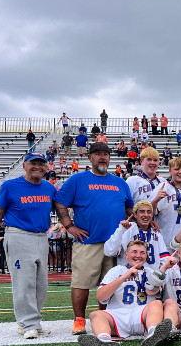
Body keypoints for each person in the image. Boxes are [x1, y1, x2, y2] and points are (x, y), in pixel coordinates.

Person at [54, 142, 134, 335]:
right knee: (81, 283)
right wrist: (69, 226)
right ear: (89, 158)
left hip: (115, 244)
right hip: (88, 241)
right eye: (98, 154)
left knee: (111, 285)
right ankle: (79, 320)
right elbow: (59, 201)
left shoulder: (120, 183)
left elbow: (130, 210)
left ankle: (103, 318)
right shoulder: (78, 180)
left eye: (106, 154)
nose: (102, 157)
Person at [0, 152, 56, 339]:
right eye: (33, 163)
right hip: (18, 235)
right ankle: (28, 324)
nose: (38, 167)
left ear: (47, 168)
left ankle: (32, 322)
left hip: (41, 237)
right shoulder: (10, 186)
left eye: (42, 164)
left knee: (41, 284)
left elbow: (63, 209)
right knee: (24, 282)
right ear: (24, 165)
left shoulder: (49, 188)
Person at [76, 240, 181, 346]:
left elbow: (151, 291)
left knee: (156, 304)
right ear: (126, 255)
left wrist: (164, 268)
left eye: (142, 253)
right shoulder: (116, 270)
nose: (138, 255)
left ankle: (154, 334)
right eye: (134, 252)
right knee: (96, 314)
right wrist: (123, 277)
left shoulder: (152, 272)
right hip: (118, 314)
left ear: (146, 256)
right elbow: (101, 297)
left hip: (142, 315)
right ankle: (104, 341)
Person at [149, 157, 181, 245]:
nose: (180, 172)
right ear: (170, 171)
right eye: (176, 169)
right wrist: (156, 200)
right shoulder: (162, 187)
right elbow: (150, 213)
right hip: (165, 242)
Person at [103, 200, 169, 270]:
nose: (146, 215)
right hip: (128, 276)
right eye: (142, 211)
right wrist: (120, 230)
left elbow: (164, 257)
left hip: (150, 276)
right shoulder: (126, 229)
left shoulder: (156, 232)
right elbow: (109, 251)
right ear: (135, 214)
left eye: (149, 212)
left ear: (152, 215)